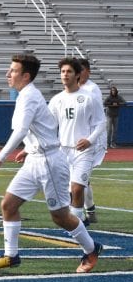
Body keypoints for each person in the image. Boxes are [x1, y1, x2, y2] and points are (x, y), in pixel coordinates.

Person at [0, 54, 101, 273]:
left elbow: (21, 130)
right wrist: (28, 149)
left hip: (49, 163)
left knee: (60, 217)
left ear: (26, 76)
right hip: (35, 159)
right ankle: (11, 255)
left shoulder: (29, 97)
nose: (8, 74)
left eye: (13, 71)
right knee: (8, 205)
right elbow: (41, 127)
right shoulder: (25, 95)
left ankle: (91, 249)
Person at [47, 58, 105, 226]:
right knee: (66, 192)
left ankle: (75, 226)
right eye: (63, 71)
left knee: (77, 189)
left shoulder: (89, 97)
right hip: (63, 151)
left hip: (84, 151)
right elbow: (49, 125)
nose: (65, 74)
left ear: (77, 75)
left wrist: (89, 140)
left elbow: (101, 123)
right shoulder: (57, 99)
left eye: (69, 71)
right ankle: (76, 223)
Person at [78, 59, 107, 223]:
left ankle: (80, 215)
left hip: (92, 140)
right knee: (80, 179)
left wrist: (91, 139)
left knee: (78, 179)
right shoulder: (73, 89)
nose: (78, 73)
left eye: (81, 70)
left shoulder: (92, 89)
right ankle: (90, 211)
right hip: (78, 140)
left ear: (88, 71)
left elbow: (98, 119)